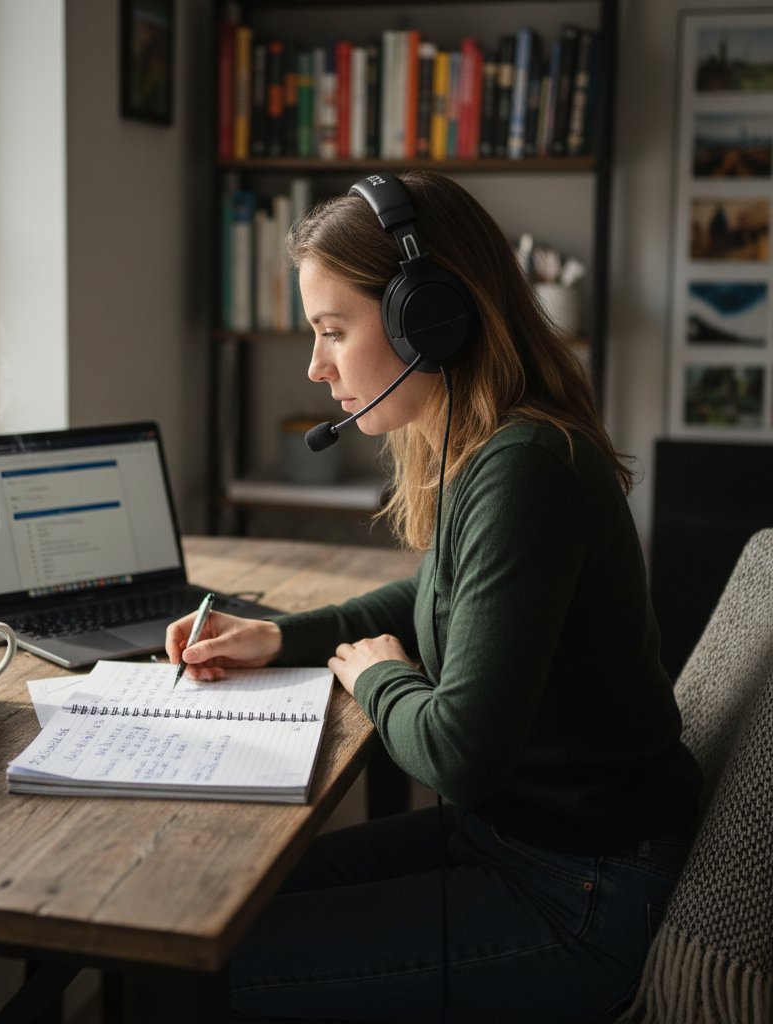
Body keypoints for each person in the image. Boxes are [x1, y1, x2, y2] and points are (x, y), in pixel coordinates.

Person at [165, 171, 702, 1023]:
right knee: (203, 918)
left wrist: (376, 679)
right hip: (522, 845)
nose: (315, 364)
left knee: (198, 976)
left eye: (333, 330)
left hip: (582, 895)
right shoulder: (490, 441)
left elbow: (458, 755)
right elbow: (440, 592)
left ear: (430, 316)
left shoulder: (526, 468)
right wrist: (279, 638)